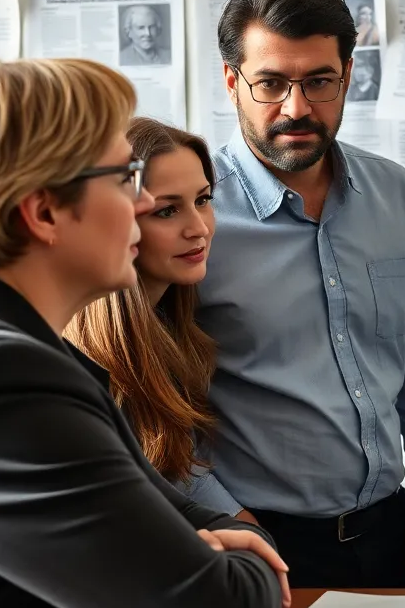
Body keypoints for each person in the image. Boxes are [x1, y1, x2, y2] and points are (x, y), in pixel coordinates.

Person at [0, 57, 288, 608]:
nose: (140, 206)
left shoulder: (5, 347)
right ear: (43, 214)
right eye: (124, 179)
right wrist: (233, 554)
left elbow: (179, 513)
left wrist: (223, 540)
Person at [193, 0, 405, 590]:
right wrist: (220, 513)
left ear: (348, 77)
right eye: (271, 84)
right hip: (253, 536)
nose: (297, 108)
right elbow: (149, 395)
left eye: (320, 82)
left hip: (392, 529)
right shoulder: (190, 211)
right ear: (233, 82)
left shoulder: (395, 192)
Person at [64, 117, 262, 523]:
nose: (199, 228)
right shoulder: (81, 360)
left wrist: (242, 526)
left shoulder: (170, 328)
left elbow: (178, 471)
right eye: (167, 210)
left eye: (204, 201)